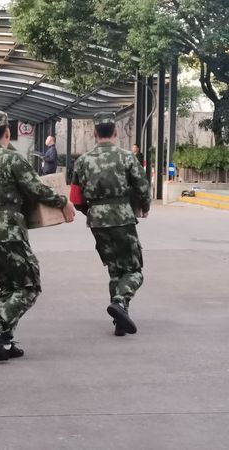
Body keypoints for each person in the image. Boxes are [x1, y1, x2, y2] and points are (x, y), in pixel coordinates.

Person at [0, 111, 75, 361]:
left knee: (8, 285)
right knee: (29, 286)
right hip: (8, 229)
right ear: (7, 133)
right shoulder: (12, 158)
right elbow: (36, 189)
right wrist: (63, 202)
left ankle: (4, 342)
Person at [70, 112, 150, 336]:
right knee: (133, 271)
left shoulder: (82, 161)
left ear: (94, 133)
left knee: (115, 271)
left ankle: (120, 322)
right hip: (122, 217)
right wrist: (144, 207)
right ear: (115, 132)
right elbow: (143, 187)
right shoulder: (127, 157)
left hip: (97, 221)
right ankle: (121, 302)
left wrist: (93, 211)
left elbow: (75, 198)